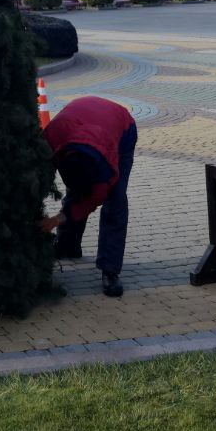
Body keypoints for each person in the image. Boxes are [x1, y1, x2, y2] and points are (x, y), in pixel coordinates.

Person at [39, 95, 137, 297]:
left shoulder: (105, 173)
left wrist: (55, 220)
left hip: (123, 131)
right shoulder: (52, 136)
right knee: (76, 192)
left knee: (115, 201)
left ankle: (110, 271)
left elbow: (89, 202)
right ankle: (68, 245)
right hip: (81, 118)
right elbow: (40, 169)